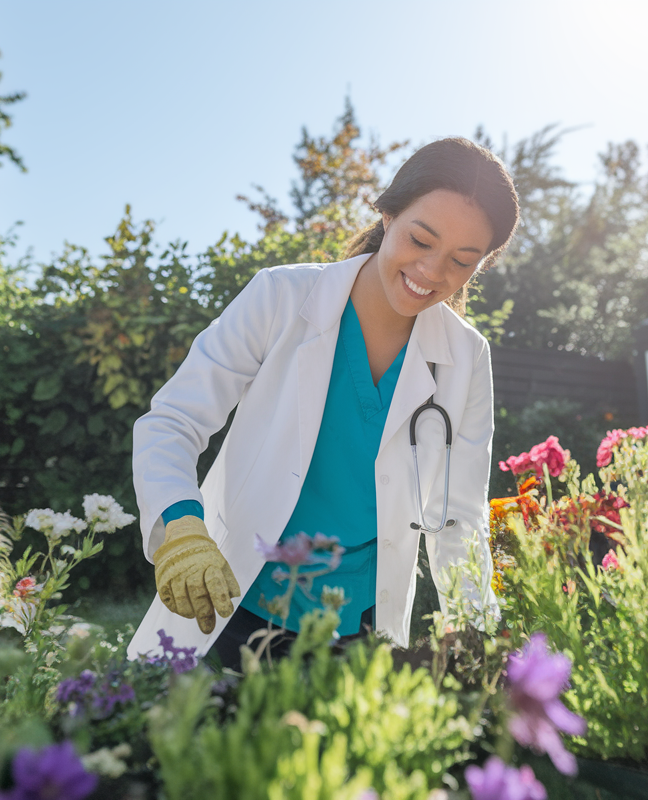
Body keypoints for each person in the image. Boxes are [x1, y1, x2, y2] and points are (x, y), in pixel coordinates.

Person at [127, 137, 519, 669]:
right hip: (229, 603)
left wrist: (478, 635)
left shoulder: (466, 357)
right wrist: (180, 525)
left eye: (462, 261)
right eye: (421, 239)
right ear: (387, 213)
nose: (432, 271)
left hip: (354, 629)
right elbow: (174, 419)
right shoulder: (280, 298)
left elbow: (460, 515)